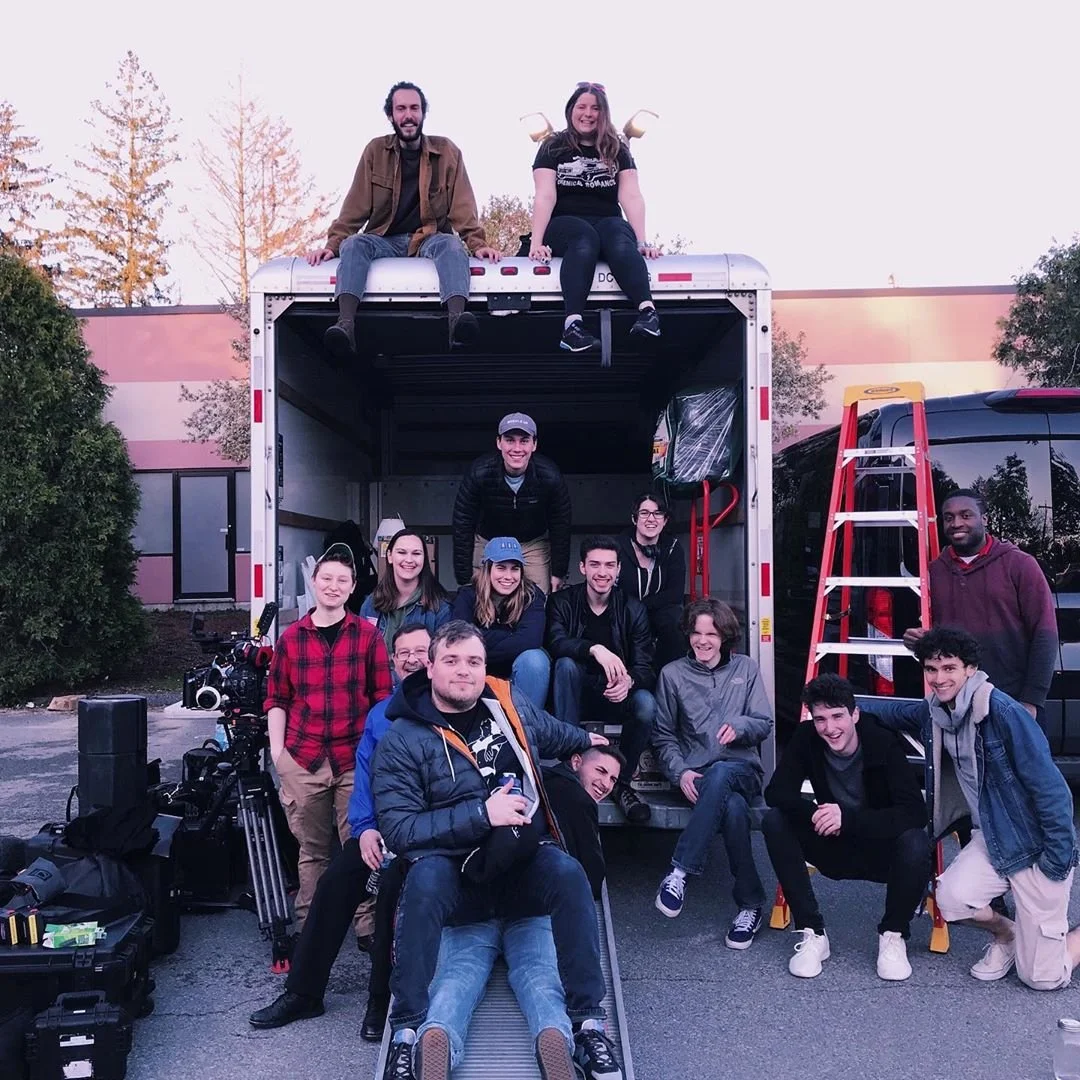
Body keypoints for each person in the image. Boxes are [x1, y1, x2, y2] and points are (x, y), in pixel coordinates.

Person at [371, 621, 622, 1080]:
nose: (463, 671)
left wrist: (586, 740)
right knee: (423, 882)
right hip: (458, 874)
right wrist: (483, 815)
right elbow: (400, 829)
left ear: (485, 668)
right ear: (430, 668)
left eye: (474, 661)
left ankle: (588, 1025)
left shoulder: (504, 701)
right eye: (451, 660)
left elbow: (546, 730)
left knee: (569, 874)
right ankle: (406, 1034)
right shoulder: (402, 740)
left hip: (520, 861)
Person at [872, 627, 1080, 991]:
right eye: (931, 669)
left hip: (1037, 847)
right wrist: (842, 708)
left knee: (1042, 979)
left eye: (949, 668)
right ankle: (1008, 935)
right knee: (951, 900)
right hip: (995, 839)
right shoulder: (936, 712)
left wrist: (1056, 860)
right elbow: (894, 711)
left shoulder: (1003, 712)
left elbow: (1053, 791)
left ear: (970, 669)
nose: (939, 678)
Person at [250, 622, 432, 1037]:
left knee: (389, 892)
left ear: (435, 659)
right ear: (394, 662)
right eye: (404, 653)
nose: (413, 660)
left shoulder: (451, 707)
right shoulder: (380, 716)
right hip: (385, 831)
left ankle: (380, 1002)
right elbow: (365, 778)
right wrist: (364, 828)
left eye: (421, 651)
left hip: (433, 836)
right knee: (334, 882)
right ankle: (304, 992)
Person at [411, 745, 626, 1080]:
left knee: (457, 975)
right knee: (539, 976)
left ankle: (438, 1032)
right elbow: (590, 881)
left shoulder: (468, 786)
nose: (606, 783)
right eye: (601, 772)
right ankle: (553, 1033)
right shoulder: (564, 796)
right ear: (576, 762)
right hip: (530, 908)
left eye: (612, 779)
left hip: (473, 902)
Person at [306, 81, 501, 357]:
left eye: (414, 108)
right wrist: (333, 244)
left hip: (429, 237)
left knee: (452, 245)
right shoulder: (375, 151)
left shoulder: (447, 152)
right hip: (384, 239)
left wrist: (478, 243)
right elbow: (355, 205)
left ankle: (457, 322)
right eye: (401, 109)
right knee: (353, 245)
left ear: (423, 113)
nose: (408, 115)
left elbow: (463, 205)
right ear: (391, 115)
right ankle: (345, 324)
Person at [263, 543, 392, 948]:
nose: (333, 586)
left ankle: (367, 925)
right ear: (314, 583)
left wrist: (378, 758)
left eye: (342, 580)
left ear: (353, 587)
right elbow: (277, 699)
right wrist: (278, 755)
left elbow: (382, 701)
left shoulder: (369, 637)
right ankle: (311, 926)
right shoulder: (291, 639)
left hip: (354, 759)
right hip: (303, 759)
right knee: (312, 850)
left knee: (361, 846)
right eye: (327, 579)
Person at [761, 673, 931, 981]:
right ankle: (813, 932)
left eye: (838, 716)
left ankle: (893, 935)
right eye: (820, 719)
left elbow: (915, 813)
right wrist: (817, 814)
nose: (830, 728)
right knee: (774, 820)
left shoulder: (882, 741)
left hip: (880, 849)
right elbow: (776, 792)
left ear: (855, 714)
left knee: (916, 841)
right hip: (833, 845)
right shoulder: (807, 737)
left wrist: (848, 819)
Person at [652, 598, 773, 949]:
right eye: (696, 633)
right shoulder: (672, 675)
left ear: (725, 637)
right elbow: (663, 736)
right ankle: (750, 906)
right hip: (699, 777)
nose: (702, 641)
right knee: (732, 810)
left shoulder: (746, 668)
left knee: (722, 773)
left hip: (743, 769)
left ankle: (679, 871)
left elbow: (763, 723)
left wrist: (740, 726)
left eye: (711, 634)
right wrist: (681, 773)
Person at [903, 488, 1058, 720]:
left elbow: (1045, 634)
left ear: (984, 519)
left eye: (966, 515)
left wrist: (1031, 699)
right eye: (949, 517)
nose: (956, 523)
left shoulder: (1020, 564)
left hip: (1011, 700)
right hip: (955, 703)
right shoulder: (934, 572)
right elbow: (935, 638)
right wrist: (917, 641)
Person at [529, 82, 661, 353]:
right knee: (584, 237)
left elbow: (631, 196)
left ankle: (648, 313)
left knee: (618, 234)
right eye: (582, 107)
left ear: (604, 113)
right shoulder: (553, 147)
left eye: (595, 108)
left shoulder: (618, 149)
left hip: (606, 220)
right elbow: (544, 195)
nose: (588, 114)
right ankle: (572, 326)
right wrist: (536, 242)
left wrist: (642, 241)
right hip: (565, 223)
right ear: (571, 110)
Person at [546, 535, 656, 824]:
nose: (602, 572)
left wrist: (629, 681)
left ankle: (620, 782)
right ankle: (571, 765)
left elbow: (645, 666)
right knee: (566, 665)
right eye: (595, 564)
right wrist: (594, 649)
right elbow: (555, 643)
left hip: (617, 696)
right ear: (582, 567)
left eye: (609, 565)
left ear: (618, 569)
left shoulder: (633, 609)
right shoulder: (562, 602)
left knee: (646, 703)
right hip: (575, 696)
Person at [452, 412, 572, 594]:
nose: (517, 448)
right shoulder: (479, 472)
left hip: (532, 543)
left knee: (538, 598)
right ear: (499, 443)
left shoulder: (550, 476)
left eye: (524, 441)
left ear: (534, 444)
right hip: (488, 539)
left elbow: (561, 525)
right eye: (510, 440)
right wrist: (463, 576)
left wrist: (558, 572)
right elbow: (463, 522)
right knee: (478, 596)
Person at [451, 536, 551, 708]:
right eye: (501, 568)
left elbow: (530, 640)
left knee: (535, 659)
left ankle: (527, 723)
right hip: (478, 673)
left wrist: (482, 639)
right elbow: (461, 638)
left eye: (515, 569)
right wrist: (511, 634)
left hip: (517, 675)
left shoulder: (532, 595)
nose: (508, 576)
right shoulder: (468, 595)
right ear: (487, 568)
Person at [616, 492, 686, 669]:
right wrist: (633, 609)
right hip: (624, 612)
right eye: (644, 513)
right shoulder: (617, 547)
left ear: (665, 520)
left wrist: (643, 606)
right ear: (634, 519)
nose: (651, 519)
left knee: (675, 620)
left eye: (658, 513)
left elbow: (675, 593)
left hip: (657, 612)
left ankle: (667, 675)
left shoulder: (673, 548)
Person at [361, 528, 451, 654]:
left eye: (416, 553)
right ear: (390, 556)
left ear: (424, 559)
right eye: (402, 552)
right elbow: (363, 652)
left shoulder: (440, 608)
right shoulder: (371, 604)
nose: (409, 560)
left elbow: (443, 656)